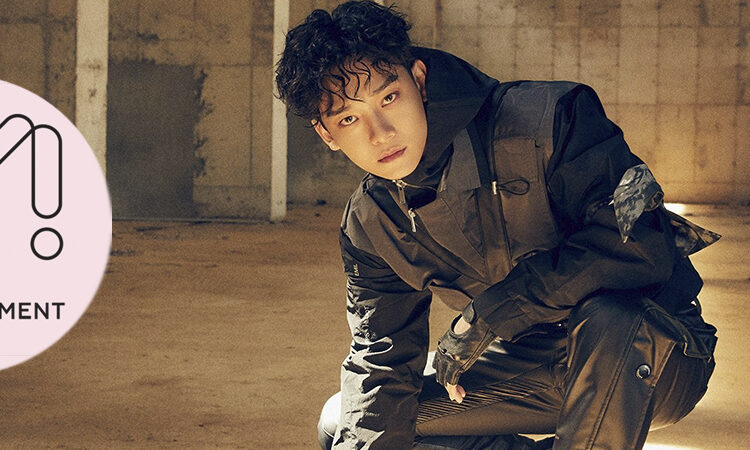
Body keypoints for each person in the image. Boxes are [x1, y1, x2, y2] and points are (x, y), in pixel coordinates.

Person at [274, 2, 720, 449]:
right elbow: (380, 358)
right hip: (534, 363)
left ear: (419, 80)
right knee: (348, 424)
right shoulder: (372, 222)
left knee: (612, 317)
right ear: (327, 134)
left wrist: (495, 311)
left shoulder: (552, 118)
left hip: (657, 355)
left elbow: (640, 242)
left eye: (388, 98)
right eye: (349, 118)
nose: (381, 133)